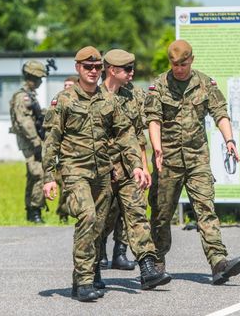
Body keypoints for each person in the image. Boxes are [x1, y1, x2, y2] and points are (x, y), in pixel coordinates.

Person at [42, 46, 165, 302]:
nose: (93, 71)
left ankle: (83, 278)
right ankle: (84, 281)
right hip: (75, 171)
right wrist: (49, 177)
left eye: (97, 67)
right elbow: (51, 141)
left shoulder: (108, 100)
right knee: (87, 216)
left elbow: (126, 135)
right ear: (78, 68)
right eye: (88, 67)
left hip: (102, 173)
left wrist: (137, 165)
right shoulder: (64, 100)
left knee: (98, 225)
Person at [145, 39, 240, 285]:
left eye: (183, 64)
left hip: (197, 158)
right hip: (167, 161)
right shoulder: (159, 85)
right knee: (161, 215)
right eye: (175, 64)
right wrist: (157, 148)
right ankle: (156, 264)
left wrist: (229, 140)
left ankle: (218, 262)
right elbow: (153, 119)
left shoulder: (205, 83)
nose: (179, 69)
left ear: (192, 60)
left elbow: (220, 112)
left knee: (205, 210)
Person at [99, 49, 171, 288]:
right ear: (111, 70)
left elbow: (137, 135)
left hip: (129, 167)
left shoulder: (135, 95)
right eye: (127, 69)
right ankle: (92, 268)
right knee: (101, 220)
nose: (132, 73)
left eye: (133, 68)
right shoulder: (93, 97)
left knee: (137, 213)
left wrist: (142, 166)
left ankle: (148, 269)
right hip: (101, 169)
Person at [9, 60, 48, 223]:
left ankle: (32, 211)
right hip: (30, 141)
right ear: (32, 77)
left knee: (34, 175)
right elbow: (25, 122)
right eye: (39, 78)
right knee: (39, 174)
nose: (40, 82)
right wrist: (36, 142)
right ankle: (35, 211)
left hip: (33, 140)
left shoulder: (30, 95)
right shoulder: (23, 97)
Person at [53, 75, 79, 223]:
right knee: (65, 185)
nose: (67, 88)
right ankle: (63, 214)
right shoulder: (59, 101)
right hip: (65, 154)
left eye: (70, 85)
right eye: (65, 85)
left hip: (82, 154)